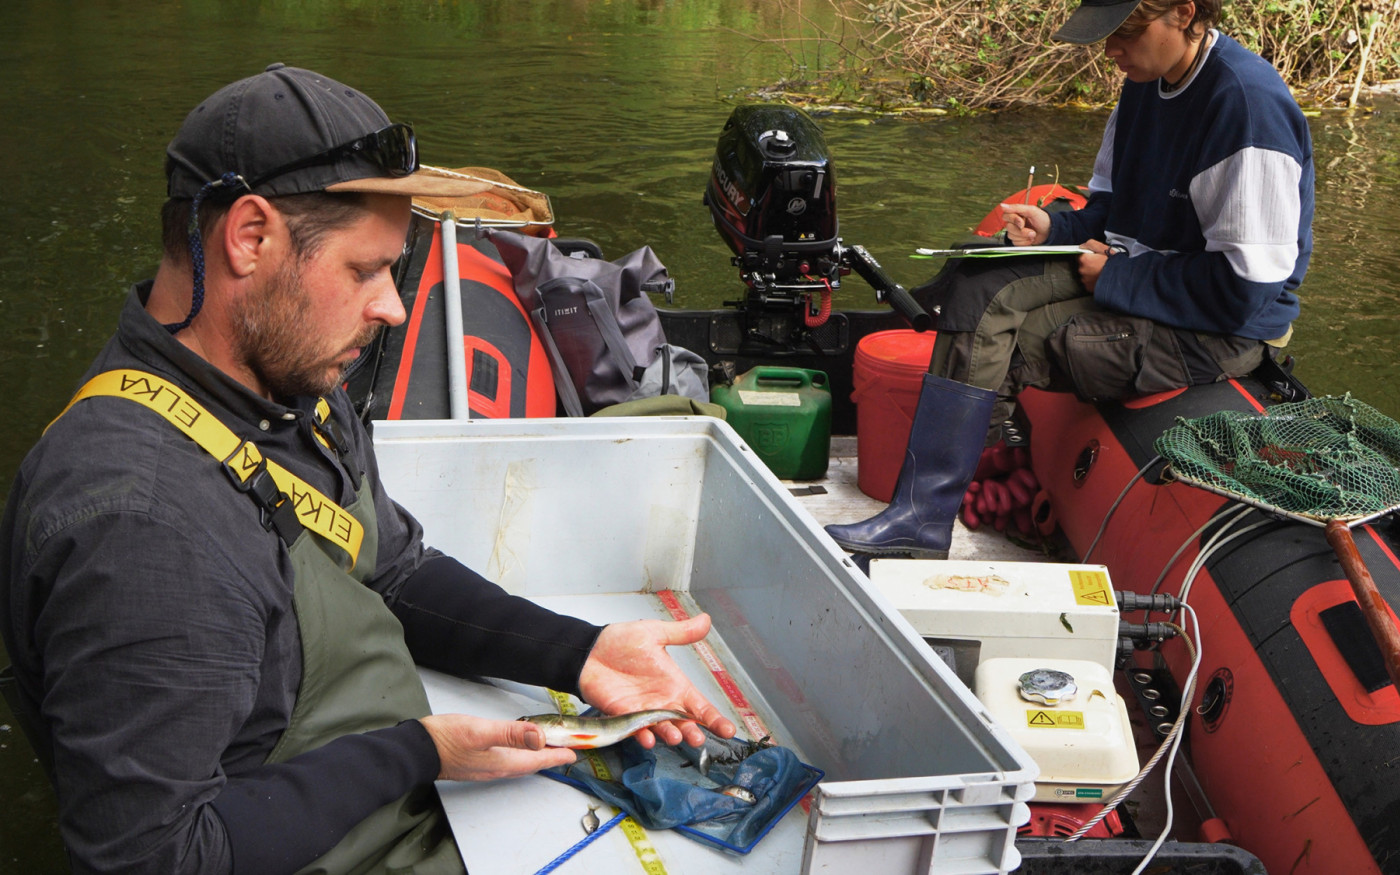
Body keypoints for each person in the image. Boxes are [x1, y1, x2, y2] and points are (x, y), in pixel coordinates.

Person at [0, 64, 736, 874]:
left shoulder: (286, 386)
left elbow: (391, 568)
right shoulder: (143, 526)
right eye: (364, 270)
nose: (393, 306)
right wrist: (420, 750)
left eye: (394, 267)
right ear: (250, 237)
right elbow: (155, 856)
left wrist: (581, 653)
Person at [826, 0, 1313, 558]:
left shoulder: (1246, 109)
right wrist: (1056, 227)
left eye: (1126, 32)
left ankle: (930, 509)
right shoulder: (1144, 82)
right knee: (975, 280)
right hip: (1138, 276)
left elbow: (1244, 292)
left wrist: (1119, 278)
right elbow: (1111, 209)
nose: (1111, 50)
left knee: (1007, 340)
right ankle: (921, 514)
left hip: (1217, 331)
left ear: (1183, 13)